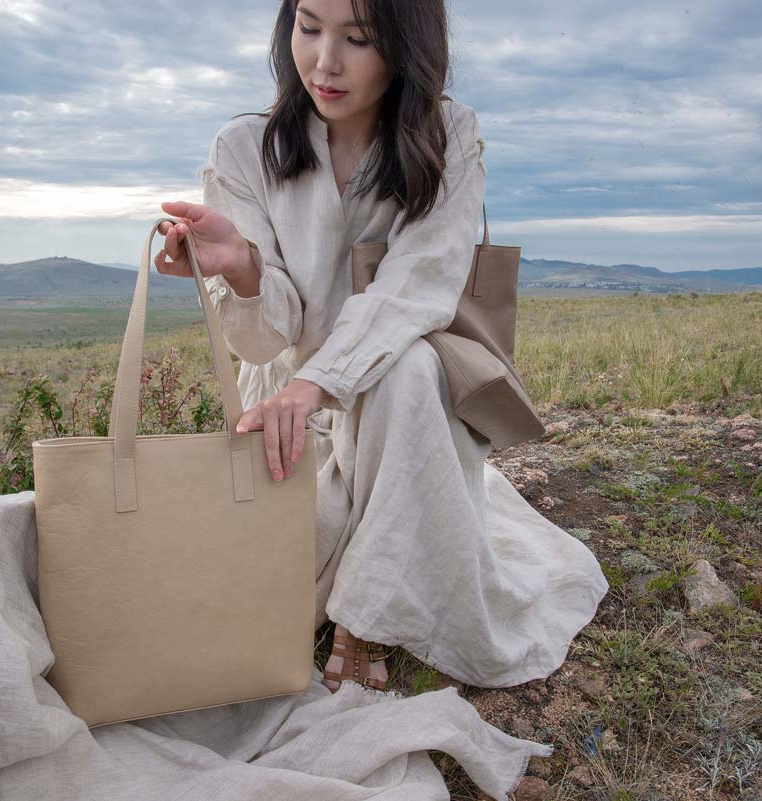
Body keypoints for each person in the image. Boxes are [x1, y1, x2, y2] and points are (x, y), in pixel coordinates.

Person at [154, 0, 609, 694]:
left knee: (406, 364)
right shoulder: (244, 149)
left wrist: (324, 379)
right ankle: (374, 558)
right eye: (309, 27)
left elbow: (417, 286)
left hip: (407, 408)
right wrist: (242, 268)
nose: (325, 61)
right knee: (272, 579)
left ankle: (363, 620)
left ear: (405, 47)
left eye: (357, 38)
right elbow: (262, 340)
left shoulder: (446, 135)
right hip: (289, 416)